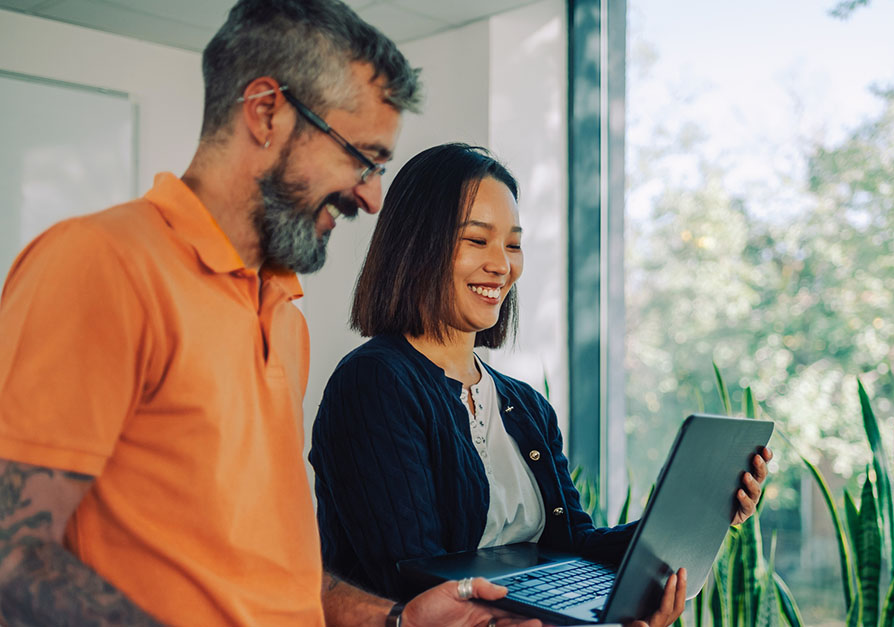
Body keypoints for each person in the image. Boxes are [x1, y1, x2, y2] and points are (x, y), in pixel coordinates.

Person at [0, 2, 538, 625]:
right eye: (360, 159)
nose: (370, 195)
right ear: (265, 113)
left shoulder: (285, 320)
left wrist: (397, 621)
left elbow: (274, 574)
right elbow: (13, 555)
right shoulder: (102, 263)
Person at [308, 143, 774, 626]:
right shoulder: (375, 382)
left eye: (512, 244)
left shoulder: (525, 405)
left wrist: (692, 521)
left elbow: (571, 549)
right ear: (417, 244)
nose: (501, 265)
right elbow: (412, 579)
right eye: (477, 240)